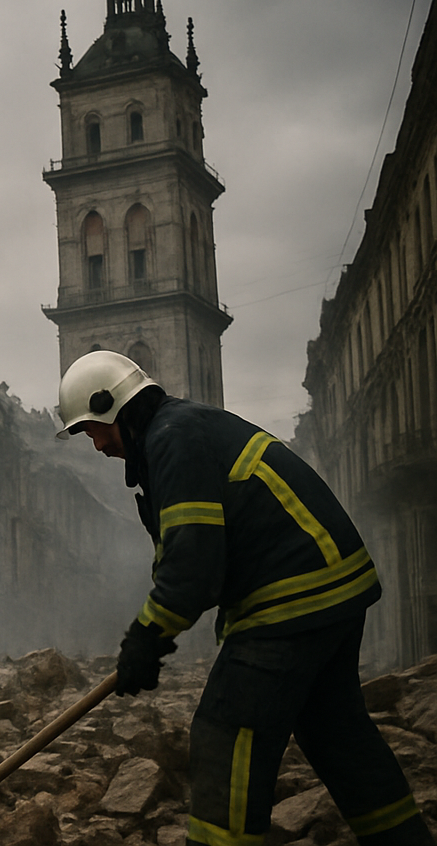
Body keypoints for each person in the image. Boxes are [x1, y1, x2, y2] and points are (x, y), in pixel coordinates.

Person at [57, 349, 434, 846]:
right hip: (329, 587)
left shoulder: (174, 439)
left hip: (292, 597)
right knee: (337, 736)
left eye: (93, 429)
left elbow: (193, 563)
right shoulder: (179, 431)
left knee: (224, 733)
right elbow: (191, 554)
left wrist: (146, 637)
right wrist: (153, 633)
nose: (96, 444)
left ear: (115, 408)